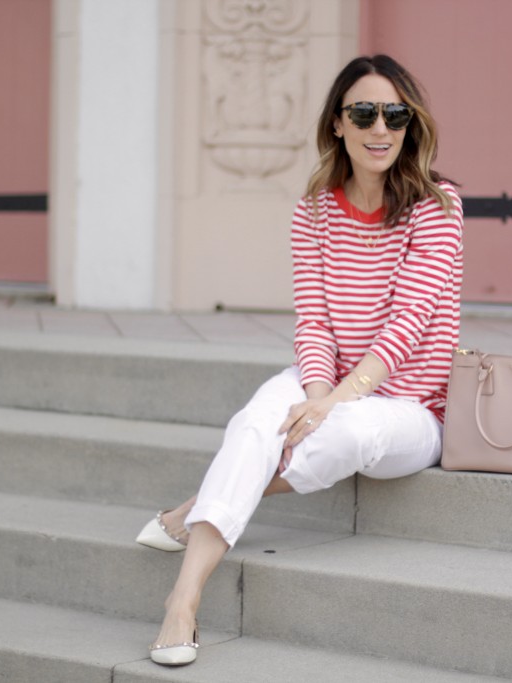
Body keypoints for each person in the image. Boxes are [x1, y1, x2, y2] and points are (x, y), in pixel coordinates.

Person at [135, 54, 464, 667]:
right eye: (363, 112)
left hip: (410, 408)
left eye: (395, 114)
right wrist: (314, 392)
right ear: (337, 124)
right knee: (256, 421)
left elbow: (407, 326)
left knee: (346, 429)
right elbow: (313, 321)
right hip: (328, 381)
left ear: (410, 124)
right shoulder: (313, 210)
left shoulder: (437, 206)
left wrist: (330, 404)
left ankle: (194, 509)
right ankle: (182, 603)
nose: (380, 128)